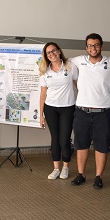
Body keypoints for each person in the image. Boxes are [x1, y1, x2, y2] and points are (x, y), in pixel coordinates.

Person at [70, 33, 110, 189]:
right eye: (90, 45)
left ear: (102, 46)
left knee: (101, 146)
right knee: (81, 145)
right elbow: (61, 67)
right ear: (86, 47)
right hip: (81, 111)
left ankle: (99, 176)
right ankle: (81, 174)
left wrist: (108, 94)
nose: (93, 48)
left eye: (96, 45)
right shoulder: (77, 61)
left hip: (103, 113)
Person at [39, 42, 77, 180]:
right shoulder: (45, 71)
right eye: (49, 53)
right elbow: (43, 94)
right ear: (46, 56)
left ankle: (65, 167)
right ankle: (56, 168)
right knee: (55, 139)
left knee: (64, 139)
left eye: (54, 51)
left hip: (68, 107)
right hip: (50, 108)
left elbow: (79, 85)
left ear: (59, 51)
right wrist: (41, 115)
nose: (52, 54)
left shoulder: (70, 67)